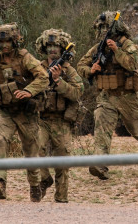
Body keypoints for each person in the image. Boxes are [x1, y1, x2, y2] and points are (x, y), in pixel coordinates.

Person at [77, 11, 138, 180]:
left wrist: (117, 51)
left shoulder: (127, 44)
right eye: (102, 28)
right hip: (107, 97)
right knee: (102, 128)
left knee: (137, 131)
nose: (104, 31)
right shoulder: (98, 48)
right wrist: (90, 70)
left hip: (128, 97)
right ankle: (100, 165)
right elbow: (80, 65)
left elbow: (132, 63)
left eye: (106, 28)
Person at [0, 23, 48, 202]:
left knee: (31, 152)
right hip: (6, 112)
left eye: (8, 41)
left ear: (15, 41)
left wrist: (29, 91)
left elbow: (44, 77)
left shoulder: (25, 57)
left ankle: (34, 185)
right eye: (1, 42)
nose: (5, 45)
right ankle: (0, 181)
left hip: (26, 112)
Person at [35, 29, 84, 203]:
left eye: (56, 46)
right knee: (35, 150)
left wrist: (58, 81)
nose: (52, 50)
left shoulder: (68, 71)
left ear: (62, 48)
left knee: (63, 161)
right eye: (49, 46)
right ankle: (44, 179)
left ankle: (61, 198)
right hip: (41, 120)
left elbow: (78, 92)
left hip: (62, 121)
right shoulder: (38, 68)